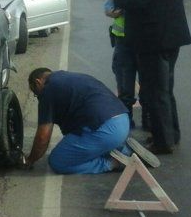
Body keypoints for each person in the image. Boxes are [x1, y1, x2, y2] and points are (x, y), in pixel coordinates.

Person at [112, 0, 191, 154]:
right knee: (165, 91)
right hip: (167, 39)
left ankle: (163, 142)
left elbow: (139, 0)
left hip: (156, 41)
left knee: (156, 93)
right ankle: (169, 135)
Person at [24, 68, 157, 174]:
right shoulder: (72, 78)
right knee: (82, 140)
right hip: (122, 121)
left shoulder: (48, 90)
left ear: (38, 82)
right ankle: (125, 151)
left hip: (105, 130)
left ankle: (112, 163)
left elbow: (43, 137)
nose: (38, 97)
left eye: (35, 92)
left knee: (57, 161)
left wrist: (30, 160)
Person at [105, 0, 140, 129]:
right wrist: (116, 12)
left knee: (147, 85)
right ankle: (127, 121)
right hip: (123, 42)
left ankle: (149, 120)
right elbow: (107, 8)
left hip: (142, 42)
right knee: (125, 85)